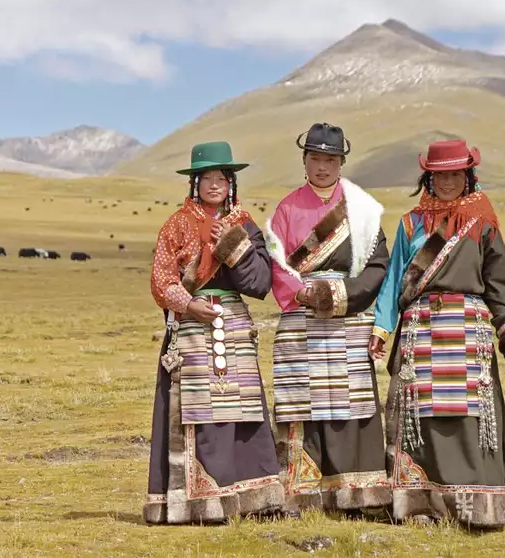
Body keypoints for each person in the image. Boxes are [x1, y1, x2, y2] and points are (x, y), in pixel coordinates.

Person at [369, 139, 505, 528]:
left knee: (472, 415)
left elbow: (499, 279)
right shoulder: (410, 223)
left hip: (466, 327)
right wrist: (382, 327)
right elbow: (394, 281)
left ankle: (479, 506)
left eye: (456, 174)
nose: (448, 182)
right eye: (440, 175)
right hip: (420, 329)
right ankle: (423, 506)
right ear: (428, 177)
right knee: (422, 416)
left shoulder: (482, 221)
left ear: (468, 176)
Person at [144, 140, 284, 525]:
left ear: (231, 181)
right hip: (190, 325)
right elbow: (160, 281)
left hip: (234, 323)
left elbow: (260, 283)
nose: (214, 184)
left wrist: (233, 245)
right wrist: (188, 305)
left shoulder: (244, 223)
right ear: (194, 181)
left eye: (221, 177)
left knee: (241, 410)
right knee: (197, 413)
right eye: (206, 177)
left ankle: (250, 498)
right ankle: (194, 499)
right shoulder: (176, 224)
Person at [264, 123, 392, 513]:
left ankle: (359, 493)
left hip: (348, 316)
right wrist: (303, 293)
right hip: (301, 317)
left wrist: (340, 296)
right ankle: (304, 494)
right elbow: (276, 263)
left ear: (341, 162)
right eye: (316, 158)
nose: (322, 166)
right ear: (305, 160)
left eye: (330, 160)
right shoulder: (287, 208)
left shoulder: (363, 209)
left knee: (350, 401)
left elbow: (377, 265)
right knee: (303, 403)